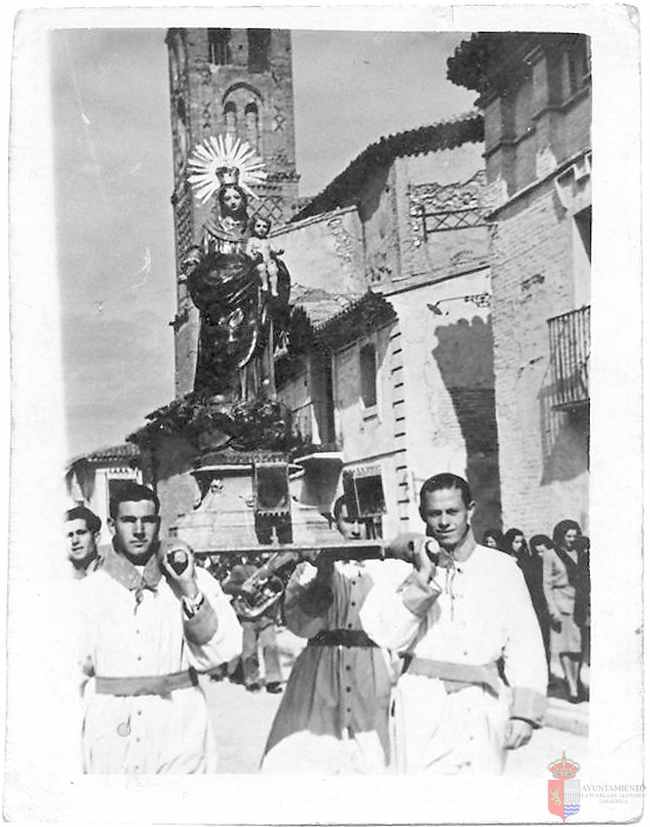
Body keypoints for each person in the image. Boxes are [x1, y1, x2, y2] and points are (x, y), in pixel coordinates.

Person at [360, 473, 547, 775]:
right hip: (421, 706)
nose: (444, 521)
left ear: (470, 510)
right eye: (435, 513)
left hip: (484, 704)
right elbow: (388, 636)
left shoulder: (502, 569)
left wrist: (524, 714)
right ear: (423, 515)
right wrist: (422, 577)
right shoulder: (399, 571)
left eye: (452, 512)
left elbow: (525, 643)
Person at [76, 482, 242, 773]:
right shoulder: (90, 590)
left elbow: (222, 651)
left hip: (178, 722)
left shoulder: (191, 578)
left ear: (159, 523)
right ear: (113, 525)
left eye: (147, 520)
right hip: (111, 724)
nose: (139, 530)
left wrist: (188, 587)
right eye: (129, 520)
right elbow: (73, 669)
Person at [260, 496, 398, 774]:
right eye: (349, 521)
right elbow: (302, 624)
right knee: (311, 751)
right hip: (320, 667)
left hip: (368, 668)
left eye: (362, 521)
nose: (356, 529)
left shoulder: (386, 568)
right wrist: (323, 573)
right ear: (335, 523)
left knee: (371, 753)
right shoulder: (312, 567)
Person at [222, 553, 283, 694]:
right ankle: (252, 680)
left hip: (266, 616)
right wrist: (242, 589)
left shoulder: (270, 568)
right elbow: (226, 587)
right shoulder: (239, 569)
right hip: (247, 616)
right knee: (249, 650)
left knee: (271, 647)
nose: (258, 557)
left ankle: (273, 680)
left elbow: (276, 590)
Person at [543, 520, 589, 703]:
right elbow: (546, 584)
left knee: (578, 647)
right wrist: (552, 608)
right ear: (560, 536)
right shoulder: (551, 554)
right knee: (564, 647)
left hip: (578, 602)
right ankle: (572, 687)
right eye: (568, 536)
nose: (571, 539)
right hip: (560, 603)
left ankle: (576, 680)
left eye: (574, 535)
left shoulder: (580, 553)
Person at [528, 534, 554, 672]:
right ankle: (545, 672)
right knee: (543, 641)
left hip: (557, 606)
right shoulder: (532, 565)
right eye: (537, 552)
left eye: (543, 551)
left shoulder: (557, 562)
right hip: (539, 608)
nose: (540, 555)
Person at [65, 506, 103, 578]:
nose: (75, 541)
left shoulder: (111, 572)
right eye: (70, 535)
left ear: (96, 537)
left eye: (81, 533)